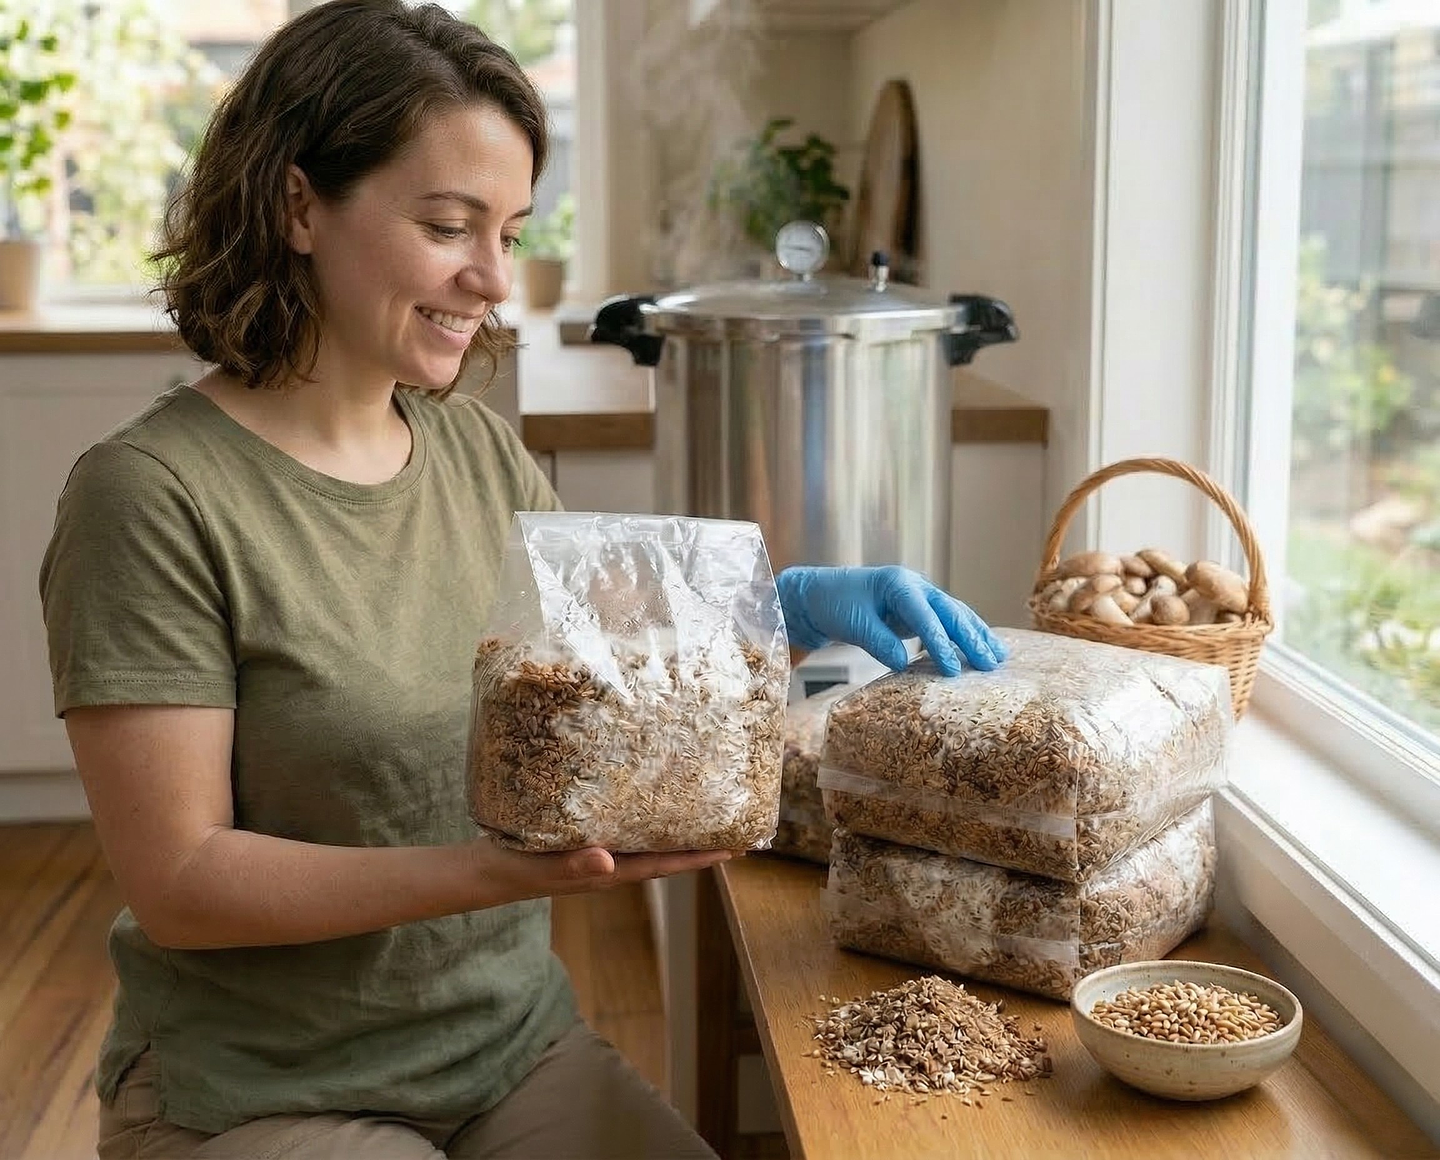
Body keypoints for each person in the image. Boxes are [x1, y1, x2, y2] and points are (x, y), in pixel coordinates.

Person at [37, 3, 1007, 1157]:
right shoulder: (151, 496)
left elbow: (617, 655)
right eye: (450, 225)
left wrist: (783, 604)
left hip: (506, 1047)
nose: (493, 277)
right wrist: (488, 869)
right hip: (264, 1085)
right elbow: (183, 878)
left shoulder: (474, 448)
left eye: (510, 230)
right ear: (299, 205)